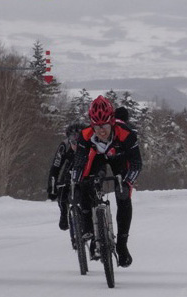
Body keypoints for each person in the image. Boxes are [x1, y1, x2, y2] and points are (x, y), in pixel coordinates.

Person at [71, 95, 142, 268]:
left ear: (112, 122)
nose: (101, 131)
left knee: (124, 195)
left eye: (105, 126)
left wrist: (126, 182)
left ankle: (122, 245)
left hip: (119, 157)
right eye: (97, 126)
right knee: (85, 183)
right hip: (97, 158)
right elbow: (80, 161)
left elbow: (136, 163)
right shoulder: (86, 135)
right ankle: (90, 229)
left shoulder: (126, 134)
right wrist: (78, 183)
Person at [47, 122, 85, 231]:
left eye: (80, 141)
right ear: (69, 139)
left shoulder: (90, 143)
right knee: (63, 190)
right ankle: (64, 213)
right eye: (73, 141)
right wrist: (52, 187)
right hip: (70, 167)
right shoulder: (64, 146)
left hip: (85, 168)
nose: (77, 145)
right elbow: (55, 167)